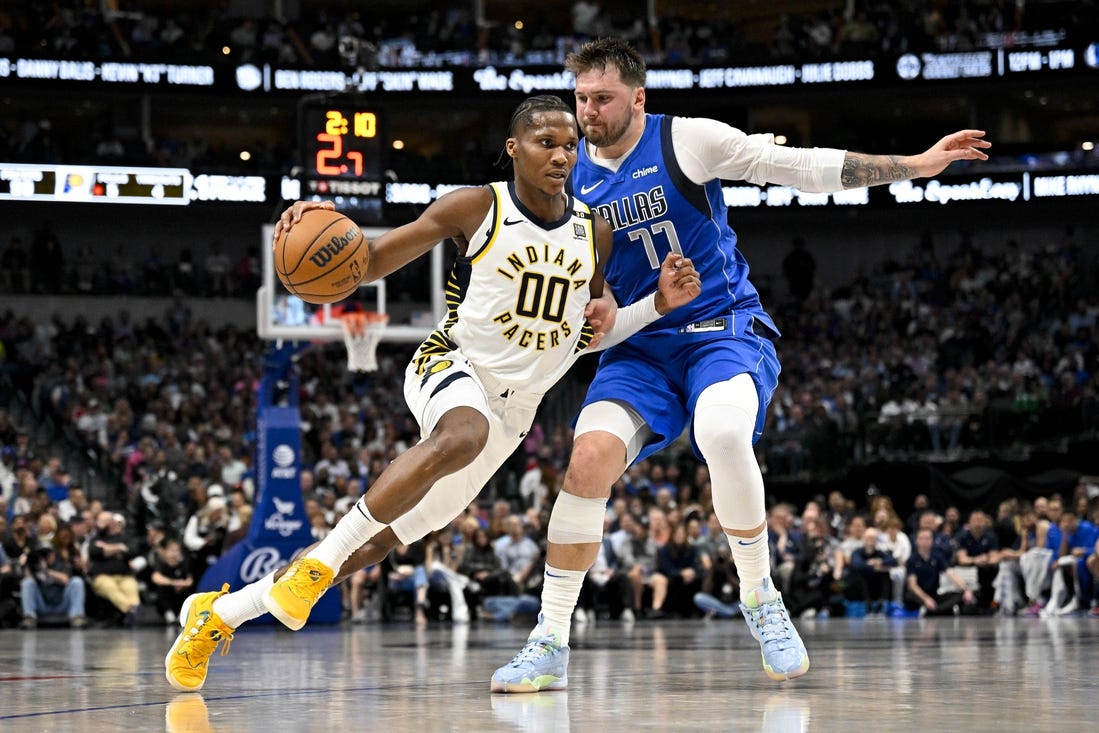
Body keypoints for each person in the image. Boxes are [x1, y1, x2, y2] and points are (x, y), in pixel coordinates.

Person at [492, 36, 991, 692]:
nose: (587, 110)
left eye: (602, 98)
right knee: (584, 461)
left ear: (636, 98)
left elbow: (798, 168)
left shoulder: (686, 140)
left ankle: (760, 597)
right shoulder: (556, 184)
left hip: (719, 327)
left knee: (722, 431)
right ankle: (549, 638)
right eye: (580, 97)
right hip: (637, 346)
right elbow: (582, 322)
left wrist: (911, 165)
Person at [164, 94, 701, 692]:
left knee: (373, 548)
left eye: (570, 145)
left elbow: (583, 337)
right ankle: (314, 567)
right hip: (450, 366)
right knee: (460, 434)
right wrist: (315, 218)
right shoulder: (475, 207)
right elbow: (365, 262)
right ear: (513, 149)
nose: (561, 155)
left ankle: (219, 614)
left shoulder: (593, 232)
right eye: (545, 143)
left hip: (514, 414)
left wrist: (657, 304)